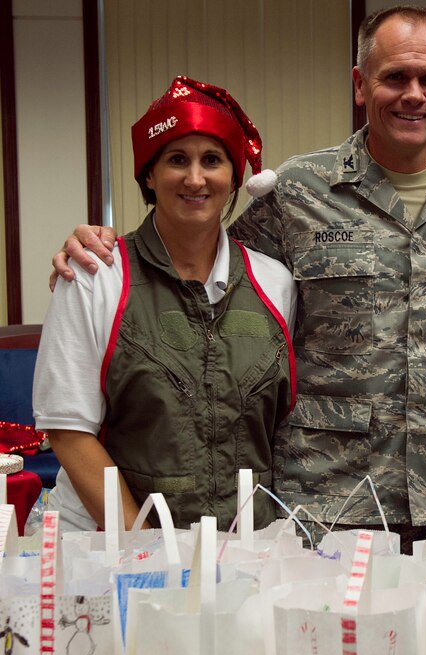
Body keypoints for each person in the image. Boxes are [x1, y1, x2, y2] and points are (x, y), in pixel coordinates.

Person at [50, 7, 426, 546]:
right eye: (394, 77)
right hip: (329, 501)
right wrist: (102, 247)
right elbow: (199, 254)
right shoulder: (298, 191)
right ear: (361, 86)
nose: (414, 94)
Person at [33, 76, 295, 532]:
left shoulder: (275, 284)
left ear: (234, 175)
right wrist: (145, 548)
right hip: (114, 546)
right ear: (149, 176)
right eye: (177, 160)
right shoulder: (96, 276)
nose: (195, 178)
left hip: (247, 548)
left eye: (212, 160)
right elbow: (69, 431)